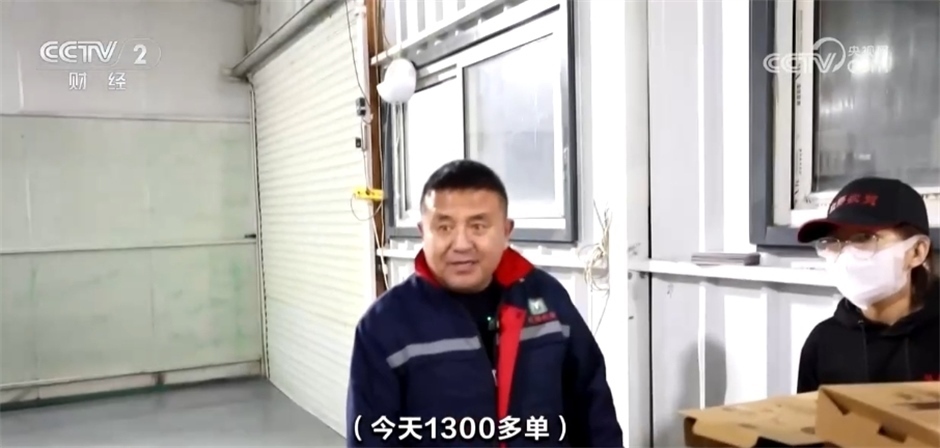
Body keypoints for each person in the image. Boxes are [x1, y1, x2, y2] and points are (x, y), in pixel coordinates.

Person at [346, 160, 622, 447]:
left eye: (478, 226)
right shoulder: (384, 325)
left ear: (506, 231)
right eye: (444, 227)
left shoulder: (548, 299)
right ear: (422, 232)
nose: (461, 244)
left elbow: (594, 411)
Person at [795, 177, 940, 393]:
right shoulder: (823, 343)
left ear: (917, 252)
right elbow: (808, 414)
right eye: (833, 242)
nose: (846, 255)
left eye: (864, 238)